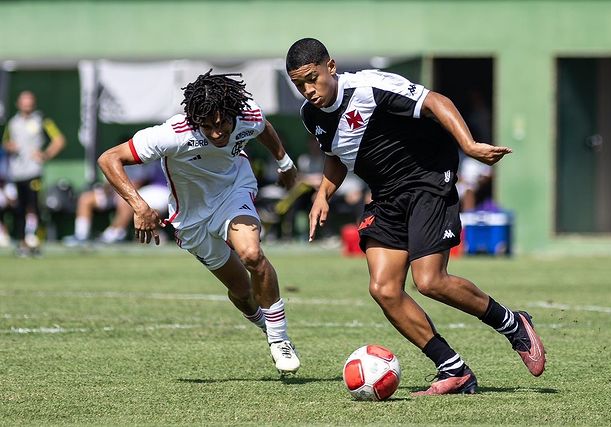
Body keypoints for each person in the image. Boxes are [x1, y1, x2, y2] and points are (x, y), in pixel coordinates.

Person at [286, 38, 544, 394]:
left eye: (312, 78)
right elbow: (337, 154)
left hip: (427, 179)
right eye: (299, 84)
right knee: (384, 288)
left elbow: (436, 101)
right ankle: (453, 369)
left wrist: (469, 145)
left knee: (430, 281)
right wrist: (322, 195)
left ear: (330, 66)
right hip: (386, 196)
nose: (307, 90)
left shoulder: (371, 86)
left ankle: (512, 324)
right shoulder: (310, 115)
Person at [97, 70, 301, 374]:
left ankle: (279, 339)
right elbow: (109, 158)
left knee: (252, 255)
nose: (217, 133)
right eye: (208, 127)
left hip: (233, 192)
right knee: (241, 291)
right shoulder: (173, 133)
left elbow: (264, 128)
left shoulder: (248, 115)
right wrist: (139, 206)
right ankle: (266, 326)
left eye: (222, 124)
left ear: (233, 113)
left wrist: (284, 162)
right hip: (191, 219)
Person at [2, 90, 66, 256]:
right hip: (17, 172)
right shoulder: (13, 123)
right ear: (18, 103)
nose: (27, 104)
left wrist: (46, 154)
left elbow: (59, 140)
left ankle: (37, 241)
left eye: (29, 101)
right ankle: (22, 243)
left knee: (34, 207)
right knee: (19, 209)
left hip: (33, 171)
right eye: (24, 101)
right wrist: (10, 146)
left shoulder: (42, 120)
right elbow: (5, 143)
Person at [65, 161, 169, 245]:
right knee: (86, 199)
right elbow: (109, 181)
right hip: (114, 192)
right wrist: (107, 189)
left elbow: (137, 183)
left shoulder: (142, 159)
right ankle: (81, 235)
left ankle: (114, 234)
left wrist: (121, 192)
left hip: (134, 192)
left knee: (127, 200)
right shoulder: (114, 158)